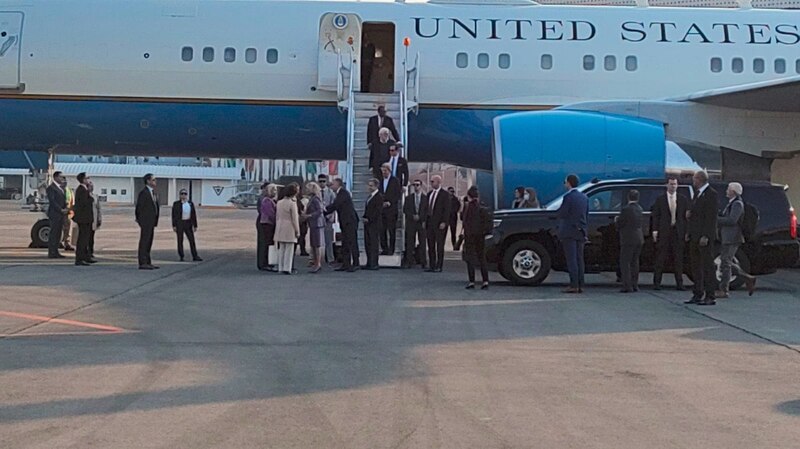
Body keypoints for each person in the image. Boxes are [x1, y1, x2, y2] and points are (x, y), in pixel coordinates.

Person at [716, 182, 757, 298]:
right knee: (726, 262)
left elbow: (732, 220)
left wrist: (716, 220)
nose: (726, 191)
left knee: (726, 263)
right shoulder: (731, 204)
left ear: (733, 191)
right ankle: (748, 278)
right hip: (727, 237)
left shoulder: (737, 204)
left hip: (732, 237)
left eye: (728, 189)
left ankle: (724, 290)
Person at [686, 170, 718, 306]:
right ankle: (697, 293)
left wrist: (706, 235)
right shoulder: (697, 194)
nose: (693, 182)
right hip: (694, 235)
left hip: (704, 236)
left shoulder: (711, 194)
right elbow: (695, 214)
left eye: (694, 179)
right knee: (695, 266)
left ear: (700, 179)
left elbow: (711, 217)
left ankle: (710, 295)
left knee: (707, 266)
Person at [651, 176, 689, 291]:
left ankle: (679, 283)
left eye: (675, 184)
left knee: (678, 259)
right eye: (671, 184)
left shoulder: (683, 199)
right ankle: (657, 283)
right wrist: (655, 230)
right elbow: (656, 216)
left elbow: (686, 217)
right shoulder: (660, 199)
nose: (673, 186)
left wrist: (687, 231)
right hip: (664, 232)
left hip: (678, 232)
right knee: (660, 258)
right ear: (667, 185)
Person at [557, 174, 589, 294]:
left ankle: (574, 285)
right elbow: (586, 215)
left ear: (569, 183)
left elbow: (563, 213)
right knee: (580, 259)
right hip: (581, 232)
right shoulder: (584, 197)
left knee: (571, 260)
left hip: (569, 232)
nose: (564, 184)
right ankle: (581, 284)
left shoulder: (568, 197)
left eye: (565, 182)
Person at [325, 178, 360, 272]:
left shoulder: (343, 193)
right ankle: (346, 263)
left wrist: (324, 211)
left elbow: (335, 205)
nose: (331, 186)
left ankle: (356, 263)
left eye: (333, 184)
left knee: (351, 242)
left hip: (350, 222)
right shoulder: (340, 194)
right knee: (345, 242)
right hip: (345, 222)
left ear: (338, 184)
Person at [461, 186, 492, 290]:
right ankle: (485, 281)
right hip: (480, 235)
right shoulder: (482, 207)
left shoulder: (467, 207)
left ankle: (471, 281)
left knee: (470, 258)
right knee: (482, 257)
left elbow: (462, 219)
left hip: (469, 235)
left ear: (469, 196)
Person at [616, 189, 644, 293]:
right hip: (639, 238)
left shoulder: (626, 209)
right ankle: (635, 284)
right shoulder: (640, 209)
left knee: (625, 262)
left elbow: (620, 223)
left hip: (628, 238)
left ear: (628, 197)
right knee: (635, 262)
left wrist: (616, 220)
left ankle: (627, 285)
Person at [426, 175, 451, 273]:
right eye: (431, 181)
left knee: (439, 245)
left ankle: (439, 265)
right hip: (430, 223)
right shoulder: (429, 194)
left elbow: (447, 210)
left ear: (438, 182)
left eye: (433, 181)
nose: (431, 183)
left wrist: (444, 221)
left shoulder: (445, 195)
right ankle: (432, 265)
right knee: (431, 245)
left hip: (440, 223)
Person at [275, 183, 300, 275]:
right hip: (289, 226)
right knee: (289, 248)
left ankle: (280, 267)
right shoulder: (292, 204)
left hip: (280, 225)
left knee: (281, 248)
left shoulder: (279, 202)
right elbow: (294, 219)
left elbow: (277, 216)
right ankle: (287, 267)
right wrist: (297, 231)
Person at [135, 173, 160, 270]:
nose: (155, 181)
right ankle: (142, 262)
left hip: (152, 222)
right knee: (144, 241)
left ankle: (148, 261)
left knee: (149, 241)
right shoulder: (144, 193)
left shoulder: (153, 192)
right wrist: (141, 221)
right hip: (146, 222)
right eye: (153, 180)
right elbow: (139, 208)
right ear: (148, 181)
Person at [171, 189, 202, 262]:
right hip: (180, 223)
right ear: (180, 195)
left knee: (191, 240)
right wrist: (174, 225)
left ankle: (195, 255)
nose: (183, 195)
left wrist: (195, 225)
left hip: (188, 223)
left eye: (185, 194)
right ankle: (181, 256)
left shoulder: (190, 203)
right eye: (182, 194)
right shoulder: (176, 204)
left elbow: (193, 215)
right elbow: (174, 215)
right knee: (180, 240)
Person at [403, 179, 428, 268]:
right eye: (414, 185)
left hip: (421, 223)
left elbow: (427, 211)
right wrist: (412, 216)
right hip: (411, 222)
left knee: (422, 242)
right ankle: (409, 261)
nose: (416, 187)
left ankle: (423, 261)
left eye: (417, 185)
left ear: (421, 186)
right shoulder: (408, 198)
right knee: (410, 242)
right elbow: (405, 210)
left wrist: (421, 217)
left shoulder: (425, 198)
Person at [71, 172, 95, 266]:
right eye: (87, 178)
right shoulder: (81, 190)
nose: (89, 180)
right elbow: (85, 203)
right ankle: (79, 258)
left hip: (86, 218)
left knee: (86, 238)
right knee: (82, 239)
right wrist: (89, 193)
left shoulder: (84, 190)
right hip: (83, 219)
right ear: (83, 180)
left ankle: (85, 257)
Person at [379, 163, 402, 255]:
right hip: (382, 209)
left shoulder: (395, 181)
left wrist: (390, 202)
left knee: (391, 230)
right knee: (382, 230)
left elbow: (397, 194)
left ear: (389, 171)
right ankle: (384, 248)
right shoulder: (380, 181)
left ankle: (391, 249)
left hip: (391, 210)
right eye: (382, 171)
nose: (384, 173)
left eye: (385, 171)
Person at [303, 182, 326, 273]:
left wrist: (309, 216)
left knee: (317, 245)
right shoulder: (312, 198)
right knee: (313, 244)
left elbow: (320, 211)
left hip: (317, 224)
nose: (306, 190)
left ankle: (318, 263)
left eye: (308, 188)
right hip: (313, 224)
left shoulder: (316, 199)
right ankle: (316, 262)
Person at [362, 178, 383, 270]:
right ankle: (369, 262)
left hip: (374, 224)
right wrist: (364, 217)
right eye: (369, 185)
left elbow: (377, 211)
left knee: (374, 244)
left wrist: (369, 219)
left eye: (371, 186)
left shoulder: (379, 197)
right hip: (367, 224)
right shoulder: (369, 197)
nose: (369, 187)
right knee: (368, 243)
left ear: (376, 186)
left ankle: (374, 263)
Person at [46, 171, 67, 259]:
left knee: (58, 233)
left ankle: (56, 251)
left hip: (61, 214)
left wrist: (65, 208)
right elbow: (52, 201)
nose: (62, 179)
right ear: (55, 177)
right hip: (55, 213)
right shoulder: (51, 188)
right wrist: (60, 209)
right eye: (61, 177)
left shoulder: (61, 188)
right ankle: (52, 252)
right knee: (54, 233)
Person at [318, 174, 337, 264]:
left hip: (328, 218)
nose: (322, 183)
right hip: (318, 219)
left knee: (328, 240)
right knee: (316, 240)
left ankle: (330, 258)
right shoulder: (316, 192)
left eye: (323, 181)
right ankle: (316, 259)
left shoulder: (330, 192)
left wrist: (330, 216)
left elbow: (334, 205)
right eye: (320, 181)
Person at [87, 179, 102, 260]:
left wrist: (99, 219)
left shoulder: (95, 196)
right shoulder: (85, 196)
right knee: (86, 237)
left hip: (94, 219)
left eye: (92, 186)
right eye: (90, 186)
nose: (91, 187)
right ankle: (86, 252)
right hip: (87, 219)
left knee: (91, 238)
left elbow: (99, 208)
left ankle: (91, 252)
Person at [61, 178, 75, 252]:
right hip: (60, 213)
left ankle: (67, 243)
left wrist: (70, 210)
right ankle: (60, 242)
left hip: (68, 213)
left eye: (65, 181)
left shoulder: (69, 191)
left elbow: (72, 202)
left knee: (68, 229)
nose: (64, 183)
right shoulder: (58, 190)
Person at [297, 190, 309, 257]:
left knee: (302, 235)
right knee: (302, 235)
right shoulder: (298, 201)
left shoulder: (297, 200)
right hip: (301, 220)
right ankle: (302, 250)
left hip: (301, 219)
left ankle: (302, 249)